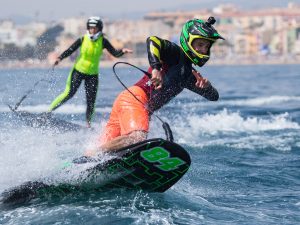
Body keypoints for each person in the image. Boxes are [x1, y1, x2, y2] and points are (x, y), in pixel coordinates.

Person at [86, 17, 224, 155]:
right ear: (188, 40)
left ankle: (84, 162)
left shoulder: (190, 75)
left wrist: (207, 87)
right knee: (137, 138)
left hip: (130, 103)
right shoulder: (176, 54)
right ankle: (93, 154)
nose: (203, 50)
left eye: (206, 47)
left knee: (106, 150)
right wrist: (156, 68)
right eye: (200, 45)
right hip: (136, 99)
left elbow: (214, 97)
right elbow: (153, 40)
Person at [49, 16, 132, 127]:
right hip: (78, 71)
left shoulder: (103, 41)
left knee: (91, 100)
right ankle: (48, 112)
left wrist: (122, 51)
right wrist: (59, 58)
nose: (92, 30)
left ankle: (88, 124)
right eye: (90, 28)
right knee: (69, 93)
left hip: (92, 74)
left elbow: (114, 53)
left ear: (99, 28)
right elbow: (70, 50)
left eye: (95, 28)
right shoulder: (83, 39)